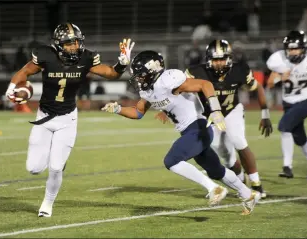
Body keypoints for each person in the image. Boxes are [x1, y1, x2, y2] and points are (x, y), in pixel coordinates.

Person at [102, 50, 261, 215]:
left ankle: (213, 188)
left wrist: (215, 109)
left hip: (199, 128)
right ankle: (248, 195)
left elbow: (205, 85)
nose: (139, 79)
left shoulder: (168, 80)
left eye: (141, 75)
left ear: (153, 71)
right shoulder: (147, 91)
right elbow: (138, 112)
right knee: (216, 171)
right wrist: (118, 109)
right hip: (188, 132)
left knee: (171, 160)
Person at [5, 23, 135, 217]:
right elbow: (24, 71)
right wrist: (12, 86)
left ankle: (47, 205)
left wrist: (122, 64)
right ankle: (55, 156)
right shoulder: (45, 55)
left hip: (67, 119)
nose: (74, 47)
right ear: (58, 45)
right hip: (44, 118)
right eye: (68, 43)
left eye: (76, 42)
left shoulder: (86, 57)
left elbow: (111, 74)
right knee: (34, 169)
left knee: (56, 167)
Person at [156, 39, 271, 198]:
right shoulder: (195, 71)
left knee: (238, 140)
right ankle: (240, 180)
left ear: (229, 58)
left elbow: (256, 87)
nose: (218, 63)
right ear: (208, 59)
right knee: (225, 156)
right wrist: (166, 107)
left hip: (232, 110)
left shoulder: (239, 70)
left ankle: (257, 184)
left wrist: (265, 113)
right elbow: (176, 89)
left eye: (222, 59)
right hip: (209, 115)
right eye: (215, 59)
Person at [266, 30, 307, 179]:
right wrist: (280, 78)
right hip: (288, 103)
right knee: (298, 136)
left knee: (284, 127)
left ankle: (287, 167)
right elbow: (270, 83)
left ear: (304, 48)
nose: (292, 52)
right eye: (290, 49)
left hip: (305, 101)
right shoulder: (280, 61)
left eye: (296, 48)